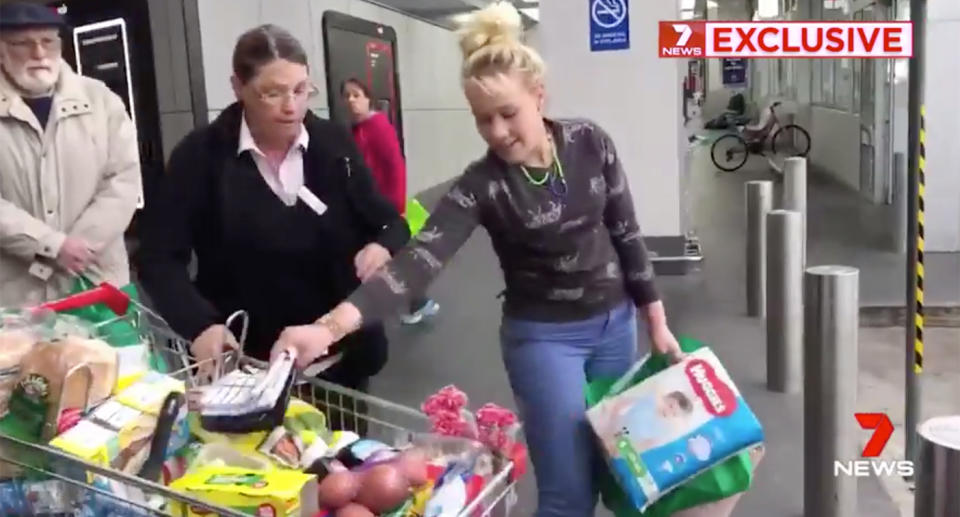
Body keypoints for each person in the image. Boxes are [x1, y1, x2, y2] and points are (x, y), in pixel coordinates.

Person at [272, 4, 685, 516]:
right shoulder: (483, 184)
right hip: (544, 338)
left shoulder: (590, 143)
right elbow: (416, 262)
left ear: (539, 95)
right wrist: (328, 328)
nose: (496, 131)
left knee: (617, 471)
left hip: (615, 328)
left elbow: (625, 232)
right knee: (568, 492)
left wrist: (656, 321)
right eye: (482, 119)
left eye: (507, 113)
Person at [136, 25, 408, 416]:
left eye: (301, 90)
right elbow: (159, 258)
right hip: (246, 368)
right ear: (238, 87)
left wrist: (381, 246)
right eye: (273, 93)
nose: (291, 107)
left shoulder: (334, 145)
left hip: (337, 362)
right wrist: (200, 326)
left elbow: (390, 223)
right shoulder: (201, 158)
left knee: (343, 469)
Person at [0, 2, 142, 307]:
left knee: (103, 356)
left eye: (48, 41)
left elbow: (124, 181)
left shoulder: (102, 100)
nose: (39, 53)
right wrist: (51, 246)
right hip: (14, 301)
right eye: (24, 44)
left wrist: (80, 247)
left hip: (97, 289)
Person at [340, 78, 440, 325]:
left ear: (368, 98)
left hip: (384, 207)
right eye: (347, 96)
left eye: (356, 95)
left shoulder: (379, 127)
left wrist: (395, 210)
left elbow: (396, 168)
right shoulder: (353, 130)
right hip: (365, 207)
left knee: (396, 258)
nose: (351, 100)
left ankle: (417, 302)